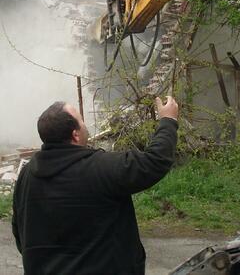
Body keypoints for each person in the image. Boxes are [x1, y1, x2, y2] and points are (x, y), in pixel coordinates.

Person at [12, 96, 178, 275]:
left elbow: (20, 232)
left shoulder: (26, 175)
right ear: (75, 134)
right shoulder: (100, 168)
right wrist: (168, 121)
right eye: (82, 121)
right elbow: (154, 162)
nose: (85, 125)